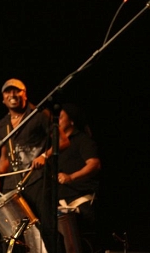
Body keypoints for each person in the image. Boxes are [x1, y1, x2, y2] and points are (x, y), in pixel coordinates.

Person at [0, 78, 69, 252]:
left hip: (38, 180)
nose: (12, 94)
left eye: (17, 90)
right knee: (13, 234)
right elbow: (5, 154)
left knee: (48, 228)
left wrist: (43, 156)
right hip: (14, 185)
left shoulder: (39, 114)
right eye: (8, 91)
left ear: (25, 94)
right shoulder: (3, 124)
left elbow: (63, 141)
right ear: (3, 98)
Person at [57, 103, 101, 252]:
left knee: (83, 246)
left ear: (72, 121)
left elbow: (94, 164)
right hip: (62, 204)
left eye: (61, 117)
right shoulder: (56, 146)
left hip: (81, 201)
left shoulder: (82, 140)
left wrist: (71, 177)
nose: (58, 120)